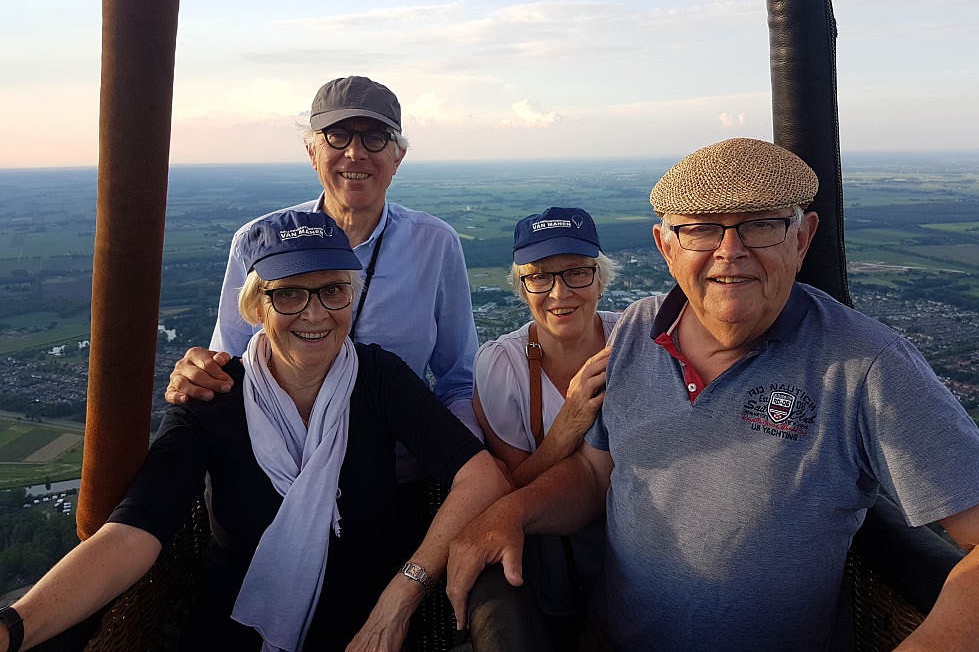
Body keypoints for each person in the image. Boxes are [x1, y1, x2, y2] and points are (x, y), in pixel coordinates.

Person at [445, 138, 979, 652]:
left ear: (803, 238)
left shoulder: (867, 365)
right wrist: (512, 511)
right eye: (702, 229)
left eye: (760, 225)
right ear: (666, 246)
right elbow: (594, 473)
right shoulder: (634, 332)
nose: (730, 251)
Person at [0, 210, 507, 652]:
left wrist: (402, 595)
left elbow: (481, 477)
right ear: (254, 306)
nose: (314, 313)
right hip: (229, 637)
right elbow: (133, 532)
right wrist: (14, 627)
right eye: (288, 294)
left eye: (333, 290)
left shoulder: (379, 379)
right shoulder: (213, 397)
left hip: (367, 633)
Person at [166, 76, 480, 485]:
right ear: (312, 152)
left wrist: (463, 463)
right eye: (337, 136)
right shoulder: (258, 243)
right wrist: (198, 374)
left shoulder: (435, 244)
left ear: (398, 156)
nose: (355, 153)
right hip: (277, 477)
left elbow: (459, 381)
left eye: (375, 138)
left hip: (397, 479)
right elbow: (229, 364)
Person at [472, 207, 619, 647]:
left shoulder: (634, 339)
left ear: (599, 278)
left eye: (576, 273)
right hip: (559, 572)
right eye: (539, 277)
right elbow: (510, 488)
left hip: (644, 555)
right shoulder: (503, 365)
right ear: (522, 288)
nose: (559, 292)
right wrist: (566, 428)